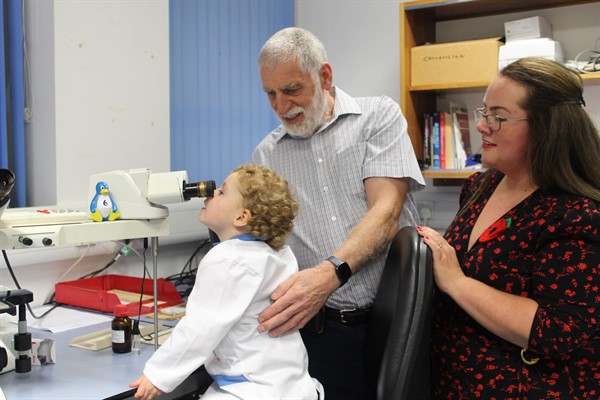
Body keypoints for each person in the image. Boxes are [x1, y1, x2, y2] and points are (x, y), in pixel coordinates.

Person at [252, 27, 425, 399]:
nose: (282, 107)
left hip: (397, 320)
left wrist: (330, 275)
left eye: (292, 89)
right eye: (271, 94)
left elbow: (386, 210)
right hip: (323, 332)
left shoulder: (377, 117)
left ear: (325, 77)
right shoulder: (267, 154)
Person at [417, 57, 600, 399]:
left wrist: (458, 283)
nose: (483, 126)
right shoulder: (480, 187)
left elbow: (557, 329)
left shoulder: (575, 215)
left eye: (498, 117)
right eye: (484, 113)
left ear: (546, 127)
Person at [130, 164, 323, 400]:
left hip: (252, 389)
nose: (210, 194)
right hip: (293, 386)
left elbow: (201, 327)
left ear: (241, 217)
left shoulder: (228, 259)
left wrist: (157, 376)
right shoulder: (276, 254)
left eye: (221, 192)